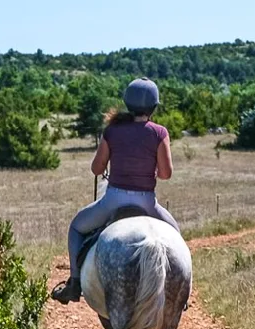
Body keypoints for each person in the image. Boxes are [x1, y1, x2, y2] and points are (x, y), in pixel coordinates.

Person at [51, 79, 179, 304]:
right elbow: (166, 174)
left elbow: (96, 169)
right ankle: (182, 292)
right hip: (147, 203)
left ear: (127, 104)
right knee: (176, 235)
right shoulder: (160, 132)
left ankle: (74, 283)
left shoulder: (112, 131)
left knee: (76, 227)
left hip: (113, 200)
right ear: (154, 107)